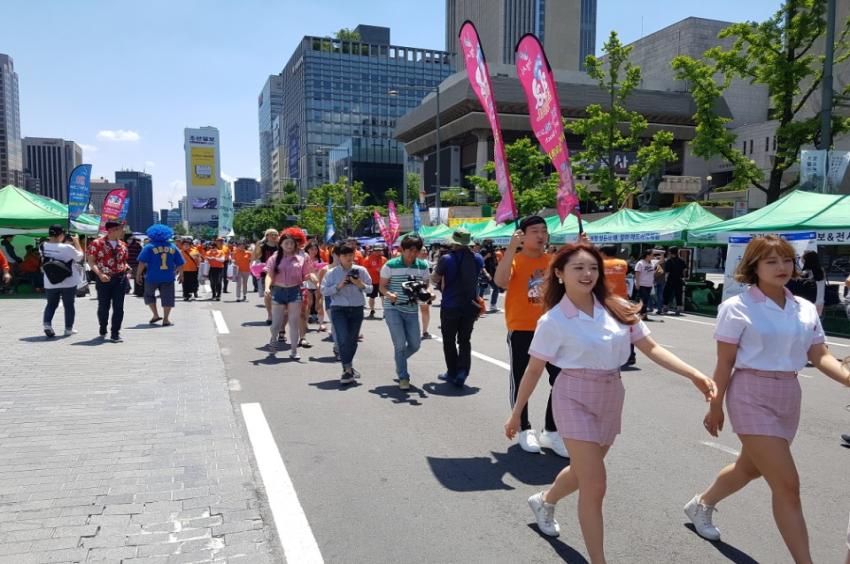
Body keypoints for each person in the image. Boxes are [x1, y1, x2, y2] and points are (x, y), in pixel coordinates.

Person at [504, 242, 715, 561]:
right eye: (578, 268)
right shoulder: (554, 320)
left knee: (582, 471)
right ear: (559, 274)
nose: (587, 273)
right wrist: (517, 413)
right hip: (573, 395)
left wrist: (694, 375)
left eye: (592, 267)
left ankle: (545, 500)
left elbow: (652, 348)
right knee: (595, 482)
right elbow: (534, 369)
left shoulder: (617, 306)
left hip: (611, 393)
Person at [684, 236, 850, 561]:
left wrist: (846, 376)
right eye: (771, 261)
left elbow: (819, 354)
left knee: (749, 468)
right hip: (750, 393)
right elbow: (725, 363)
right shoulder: (736, 307)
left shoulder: (803, 308)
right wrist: (715, 406)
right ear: (754, 266)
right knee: (787, 485)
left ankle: (702, 504)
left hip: (789, 394)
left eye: (787, 260)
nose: (782, 267)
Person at [494, 215, 567, 457]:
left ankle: (552, 431)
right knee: (521, 377)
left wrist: (582, 250)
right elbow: (500, 281)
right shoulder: (514, 260)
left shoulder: (553, 261)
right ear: (522, 235)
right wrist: (511, 249)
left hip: (552, 329)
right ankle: (524, 428)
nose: (541, 235)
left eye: (544, 230)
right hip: (522, 328)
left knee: (562, 379)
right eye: (535, 230)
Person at [431, 228, 484, 386]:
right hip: (470, 305)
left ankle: (452, 372)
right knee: (465, 340)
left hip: (450, 305)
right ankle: (463, 372)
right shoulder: (478, 258)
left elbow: (435, 279)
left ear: (454, 242)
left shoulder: (446, 259)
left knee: (449, 340)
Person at [379, 234, 430, 390]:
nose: (412, 254)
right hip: (393, 308)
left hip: (411, 309)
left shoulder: (422, 266)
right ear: (402, 249)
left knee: (415, 344)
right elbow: (382, 287)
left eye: (416, 251)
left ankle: (399, 360)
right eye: (409, 250)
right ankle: (403, 376)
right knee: (400, 344)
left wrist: (429, 293)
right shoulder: (390, 265)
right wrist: (389, 294)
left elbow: (425, 286)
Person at [321, 243, 371, 385]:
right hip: (338, 309)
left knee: (352, 340)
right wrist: (339, 286)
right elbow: (324, 291)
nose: (349, 258)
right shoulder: (332, 273)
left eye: (351, 255)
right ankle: (347, 368)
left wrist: (359, 284)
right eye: (345, 255)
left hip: (356, 308)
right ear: (339, 257)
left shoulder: (361, 270)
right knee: (342, 339)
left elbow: (370, 288)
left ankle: (348, 367)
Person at [264, 234, 313, 360]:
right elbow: (269, 275)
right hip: (278, 291)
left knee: (294, 322)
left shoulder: (301, 258)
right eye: (286, 243)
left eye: (292, 243)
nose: (289, 246)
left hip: (295, 291)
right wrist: (267, 288)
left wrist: (312, 278)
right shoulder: (274, 258)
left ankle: (294, 351)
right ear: (280, 244)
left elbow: (306, 274)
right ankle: (273, 339)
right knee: (276, 324)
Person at [86, 221, 130, 342]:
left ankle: (115, 333)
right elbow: (91, 261)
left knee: (119, 307)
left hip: (120, 278)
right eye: (121, 229)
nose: (123, 231)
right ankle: (103, 327)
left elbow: (124, 261)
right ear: (112, 230)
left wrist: (127, 267)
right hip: (103, 279)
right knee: (103, 306)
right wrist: (100, 274)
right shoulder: (97, 243)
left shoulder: (123, 244)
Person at [136, 225, 184, 327]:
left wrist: (138, 275)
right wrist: (181, 275)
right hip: (168, 277)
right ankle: (166, 319)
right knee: (168, 297)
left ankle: (155, 315)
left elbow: (141, 262)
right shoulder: (172, 247)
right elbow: (180, 263)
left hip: (152, 277)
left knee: (149, 295)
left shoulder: (148, 247)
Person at [40, 225, 84, 337]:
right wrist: (77, 242)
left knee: (51, 304)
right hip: (69, 281)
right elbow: (80, 257)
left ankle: (47, 325)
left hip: (50, 281)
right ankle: (68, 329)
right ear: (60, 235)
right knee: (69, 305)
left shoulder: (42, 246)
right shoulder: (67, 248)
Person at [600, 244, 636, 366]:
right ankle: (631, 355)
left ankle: (611, 354)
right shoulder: (623, 263)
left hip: (607, 300)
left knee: (607, 328)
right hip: (623, 299)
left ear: (603, 253)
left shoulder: (601, 264)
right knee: (625, 327)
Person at [253, 229, 280, 324]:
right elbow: (255, 257)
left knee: (277, 295)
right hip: (266, 273)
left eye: (276, 234)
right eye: (272, 234)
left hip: (279, 273)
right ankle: (270, 315)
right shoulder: (262, 246)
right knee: (268, 294)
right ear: (267, 236)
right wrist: (258, 244)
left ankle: (277, 314)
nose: (274, 236)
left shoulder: (280, 246)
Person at [797, 250, 826, 316]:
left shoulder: (806, 273)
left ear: (806, 260)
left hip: (809, 303)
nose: (801, 259)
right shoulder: (821, 270)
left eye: (802, 258)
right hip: (820, 302)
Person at [363, 244, 388, 319]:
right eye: (376, 250)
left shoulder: (384, 259)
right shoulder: (367, 259)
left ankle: (385, 311)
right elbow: (365, 269)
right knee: (372, 297)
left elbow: (387, 268)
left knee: (383, 296)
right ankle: (372, 310)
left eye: (379, 250)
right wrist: (375, 269)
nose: (378, 252)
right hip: (372, 281)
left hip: (382, 281)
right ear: (373, 251)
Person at [663, 246, 687, 316]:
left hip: (670, 280)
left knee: (666, 293)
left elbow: (667, 272)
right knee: (678, 294)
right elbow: (685, 270)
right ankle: (679, 308)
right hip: (679, 279)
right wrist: (683, 277)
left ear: (671, 253)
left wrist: (665, 279)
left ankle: (665, 307)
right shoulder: (682, 260)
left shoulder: (669, 261)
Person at [634, 249, 656, 321]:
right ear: (647, 255)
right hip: (642, 284)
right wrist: (637, 283)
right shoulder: (640, 263)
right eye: (652, 255)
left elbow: (661, 261)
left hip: (649, 284)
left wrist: (661, 253)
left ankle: (642, 314)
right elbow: (637, 274)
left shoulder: (652, 263)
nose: (653, 256)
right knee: (643, 300)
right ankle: (641, 314)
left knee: (645, 300)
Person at [481, 239, 501, 312]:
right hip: (484, 273)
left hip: (492, 273)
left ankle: (493, 305)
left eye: (491, 243)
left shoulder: (493, 252)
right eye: (489, 243)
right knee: (481, 290)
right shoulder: (483, 250)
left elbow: (495, 262)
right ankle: (479, 306)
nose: (491, 244)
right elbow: (479, 261)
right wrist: (486, 256)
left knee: (496, 288)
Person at [418, 247, 433, 339]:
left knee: (425, 310)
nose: (425, 252)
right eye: (422, 250)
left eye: (425, 250)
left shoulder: (426, 263)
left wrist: (429, 290)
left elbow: (428, 279)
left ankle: (425, 331)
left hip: (423, 289)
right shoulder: (411, 261)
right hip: (412, 289)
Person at [653, 250, 667, 314]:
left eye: (658, 258)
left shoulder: (660, 264)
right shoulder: (664, 263)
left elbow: (660, 272)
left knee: (657, 295)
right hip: (662, 281)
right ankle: (659, 308)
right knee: (659, 295)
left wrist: (653, 275)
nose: (656, 259)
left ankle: (659, 308)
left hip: (658, 281)